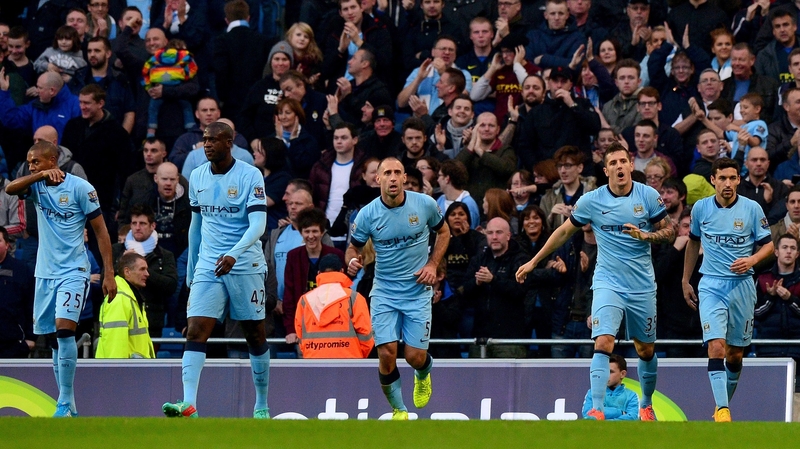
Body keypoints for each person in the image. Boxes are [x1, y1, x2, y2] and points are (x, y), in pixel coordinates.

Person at [516, 142, 675, 421]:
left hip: (641, 285)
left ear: (630, 165)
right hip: (607, 282)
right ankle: (597, 409)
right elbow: (564, 232)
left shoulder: (648, 196)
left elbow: (670, 231)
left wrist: (646, 236)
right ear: (606, 170)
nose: (619, 167)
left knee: (645, 349)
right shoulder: (593, 200)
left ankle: (646, 404)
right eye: (613, 163)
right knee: (603, 342)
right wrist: (533, 261)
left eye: (623, 161)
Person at [162, 122, 270, 419]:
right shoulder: (196, 176)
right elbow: (197, 224)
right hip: (210, 265)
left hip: (245, 264)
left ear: (229, 142)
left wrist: (234, 254)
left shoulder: (250, 175)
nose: (206, 144)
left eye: (213, 140)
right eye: (204, 140)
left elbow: (258, 226)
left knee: (254, 334)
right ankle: (188, 403)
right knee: (196, 330)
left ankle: (261, 403)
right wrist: (193, 265)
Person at [5, 141, 117, 417]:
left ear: (53, 160)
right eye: (29, 162)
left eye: (37, 162)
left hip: (73, 271)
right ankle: (69, 407)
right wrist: (40, 175)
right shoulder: (36, 186)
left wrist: (108, 272)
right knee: (54, 338)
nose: (31, 166)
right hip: (44, 272)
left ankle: (65, 400)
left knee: (65, 330)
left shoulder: (81, 188)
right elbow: (9, 188)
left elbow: (101, 232)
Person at [345, 157, 450, 420]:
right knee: (387, 353)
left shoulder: (425, 204)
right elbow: (353, 247)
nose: (392, 178)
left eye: (397, 173)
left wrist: (433, 263)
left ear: (404, 178)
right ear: (377, 179)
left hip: (417, 292)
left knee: (415, 357)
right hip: (385, 293)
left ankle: (423, 373)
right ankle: (399, 410)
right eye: (387, 173)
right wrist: (352, 261)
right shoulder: (367, 214)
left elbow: (444, 232)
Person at [682, 157, 774, 423]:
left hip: (743, 286)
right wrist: (685, 280)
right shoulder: (700, 209)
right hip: (711, 284)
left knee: (735, 354)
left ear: (738, 180)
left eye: (733, 178)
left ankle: (720, 407)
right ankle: (723, 411)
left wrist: (752, 259)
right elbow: (692, 243)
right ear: (713, 180)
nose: (728, 183)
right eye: (722, 178)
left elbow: (769, 246)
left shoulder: (752, 209)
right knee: (716, 346)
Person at [462, 217, 529, 357]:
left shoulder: (520, 259)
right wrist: (477, 282)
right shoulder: (479, 259)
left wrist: (493, 280)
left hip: (509, 339)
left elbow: (519, 290)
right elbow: (464, 290)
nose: (494, 237)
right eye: (490, 233)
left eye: (499, 232)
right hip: (480, 337)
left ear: (508, 235)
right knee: (477, 379)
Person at [112, 204, 177, 341]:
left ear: (152, 226)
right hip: (119, 317)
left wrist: (142, 269)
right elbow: (105, 280)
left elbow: (171, 286)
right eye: (134, 223)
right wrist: (122, 262)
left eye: (142, 223)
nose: (137, 227)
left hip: (152, 321)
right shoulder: (117, 251)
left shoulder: (164, 255)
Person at [283, 208, 345, 346]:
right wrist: (291, 329)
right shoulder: (293, 256)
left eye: (315, 231)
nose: (311, 236)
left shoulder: (336, 255)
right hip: (303, 324)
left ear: (322, 232)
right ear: (301, 233)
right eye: (307, 231)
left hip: (332, 323)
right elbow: (289, 295)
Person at [295, 253, 374, 358]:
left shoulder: (304, 301)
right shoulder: (354, 298)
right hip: (349, 364)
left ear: (318, 273)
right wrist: (356, 356)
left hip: (314, 363)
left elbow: (300, 336)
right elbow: (367, 337)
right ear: (342, 271)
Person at [95, 252, 155, 358]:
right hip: (123, 371)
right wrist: (118, 372)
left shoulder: (131, 298)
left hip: (134, 369)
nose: (147, 274)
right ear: (127, 272)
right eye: (142, 269)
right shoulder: (119, 298)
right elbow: (115, 343)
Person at [141, 38, 197, 138]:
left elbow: (145, 70)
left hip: (159, 87)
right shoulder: (184, 57)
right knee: (186, 106)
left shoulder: (156, 57)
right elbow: (194, 68)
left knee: (153, 108)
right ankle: (191, 127)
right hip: (177, 86)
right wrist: (185, 76)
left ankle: (151, 130)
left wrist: (148, 86)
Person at [0, 226, 35, 358]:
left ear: (7, 245)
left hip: (14, 345)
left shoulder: (22, 271)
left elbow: (32, 305)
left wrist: (31, 338)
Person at [580, 354, 639, 420]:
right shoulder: (592, 392)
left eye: (610, 372)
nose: (606, 375)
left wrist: (602, 417)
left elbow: (632, 418)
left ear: (622, 374)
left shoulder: (632, 395)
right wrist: (619, 412)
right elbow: (587, 415)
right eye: (604, 372)